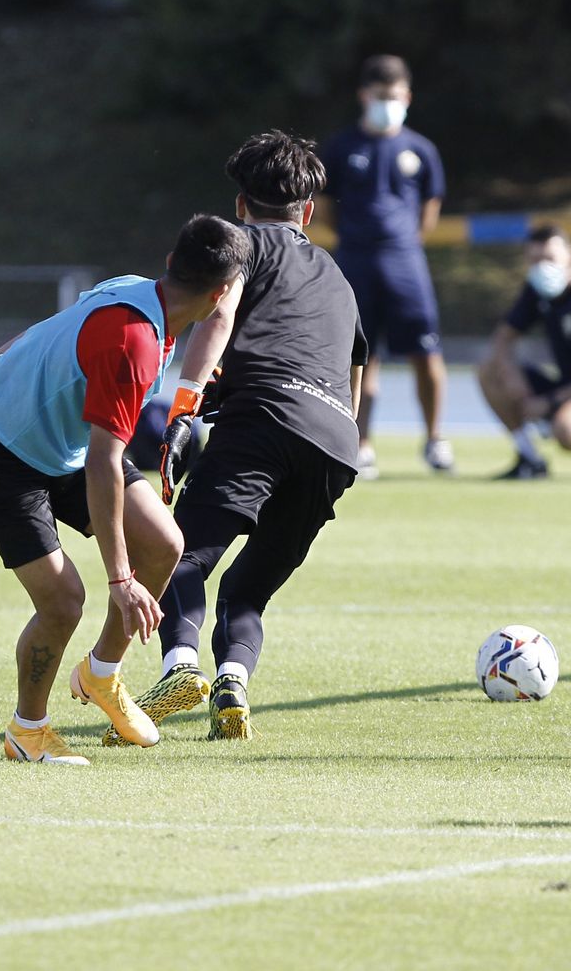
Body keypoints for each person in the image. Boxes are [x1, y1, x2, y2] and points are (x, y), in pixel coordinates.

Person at [0, 216, 249, 766]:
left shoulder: (135, 288)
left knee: (165, 543)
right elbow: (103, 463)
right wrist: (120, 578)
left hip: (63, 449)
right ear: (218, 297)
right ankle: (28, 729)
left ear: (171, 261)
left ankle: (101, 673)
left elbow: (49, 330)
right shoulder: (134, 345)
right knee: (64, 601)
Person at [114, 130, 366, 745]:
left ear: (239, 206)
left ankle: (180, 669)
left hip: (264, 419)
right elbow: (357, 366)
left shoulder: (241, 245)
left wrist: (185, 403)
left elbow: (219, 313)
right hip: (335, 442)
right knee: (247, 588)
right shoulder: (338, 276)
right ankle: (232, 682)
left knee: (178, 556)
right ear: (308, 213)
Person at [317, 55, 451, 477]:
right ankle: (361, 443)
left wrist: (403, 242)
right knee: (360, 356)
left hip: (405, 261)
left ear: (407, 97)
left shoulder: (421, 150)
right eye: (380, 96)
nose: (387, 104)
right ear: (364, 96)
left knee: (425, 352)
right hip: (354, 259)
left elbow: (430, 209)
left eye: (394, 97)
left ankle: (434, 440)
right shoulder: (340, 148)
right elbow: (323, 210)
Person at [478, 225, 571, 481]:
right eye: (535, 261)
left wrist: (550, 402)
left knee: (566, 429)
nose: (542, 268)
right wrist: (511, 374)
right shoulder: (535, 292)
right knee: (490, 371)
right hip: (564, 387)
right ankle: (530, 459)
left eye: (549, 259)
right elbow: (503, 338)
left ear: (570, 256)